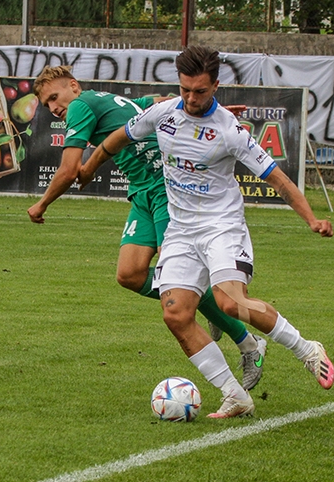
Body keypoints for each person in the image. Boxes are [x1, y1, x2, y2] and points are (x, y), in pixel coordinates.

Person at [80, 45, 334, 419]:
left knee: (230, 302)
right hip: (182, 230)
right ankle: (235, 395)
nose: (190, 98)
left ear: (216, 86)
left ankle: (307, 349)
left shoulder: (230, 131)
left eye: (199, 91)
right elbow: (117, 138)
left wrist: (311, 219)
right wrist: (88, 168)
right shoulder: (164, 114)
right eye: (184, 90)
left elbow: (277, 177)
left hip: (221, 227)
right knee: (176, 314)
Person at [27, 65, 268, 390]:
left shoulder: (81, 106)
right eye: (46, 105)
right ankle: (209, 305)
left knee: (179, 285)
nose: (54, 107)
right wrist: (217, 112)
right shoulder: (109, 99)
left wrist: (41, 204)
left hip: (164, 188)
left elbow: (70, 170)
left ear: (73, 85)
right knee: (130, 274)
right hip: (143, 193)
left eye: (54, 97)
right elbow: (159, 100)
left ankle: (248, 343)